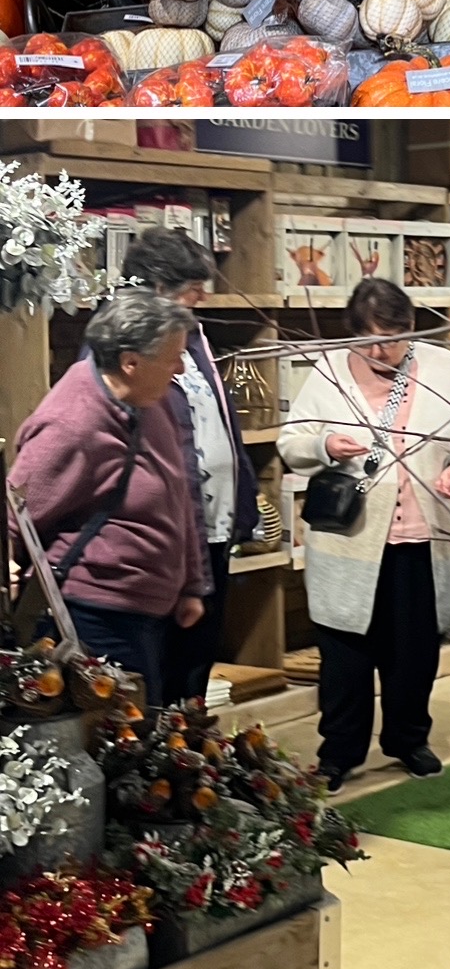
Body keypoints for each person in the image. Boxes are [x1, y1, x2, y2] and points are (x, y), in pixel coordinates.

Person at [278, 278, 450, 791]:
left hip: (424, 537)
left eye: (393, 339)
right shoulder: (329, 374)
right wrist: (327, 444)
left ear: (411, 330)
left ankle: (409, 740)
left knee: (415, 652)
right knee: (345, 656)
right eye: (369, 340)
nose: (380, 351)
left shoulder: (443, 367)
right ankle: (339, 753)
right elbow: (291, 442)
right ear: (352, 335)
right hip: (349, 542)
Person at [9, 289, 208, 705]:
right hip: (93, 613)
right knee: (116, 738)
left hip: (150, 609)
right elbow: (17, 512)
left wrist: (190, 583)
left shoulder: (152, 400)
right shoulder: (72, 425)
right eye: (172, 357)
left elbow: (177, 496)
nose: (181, 368)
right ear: (130, 362)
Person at [118, 229, 263, 703]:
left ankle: (192, 749)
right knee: (163, 656)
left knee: (201, 649)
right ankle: (159, 759)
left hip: (213, 526)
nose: (202, 297)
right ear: (157, 287)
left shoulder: (193, 335)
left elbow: (218, 418)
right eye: (191, 289)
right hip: (166, 532)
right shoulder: (124, 344)